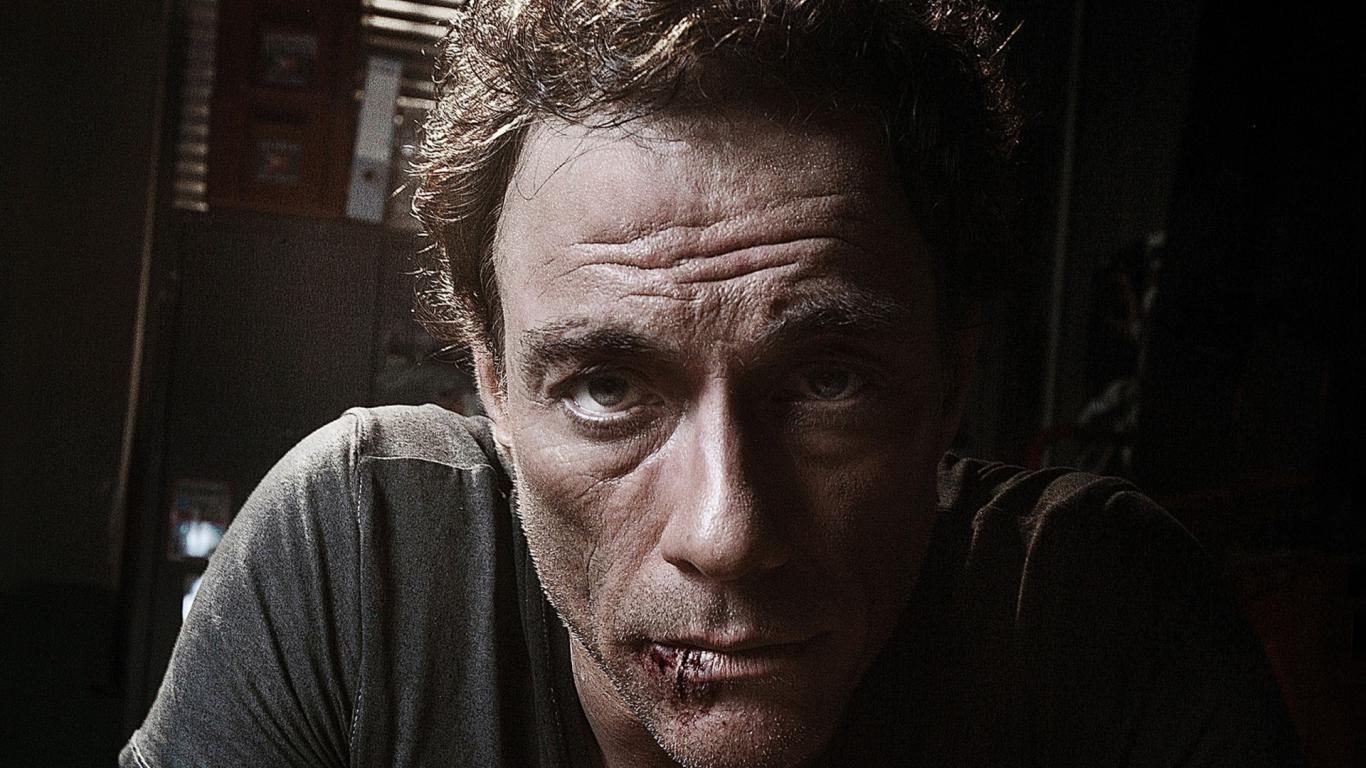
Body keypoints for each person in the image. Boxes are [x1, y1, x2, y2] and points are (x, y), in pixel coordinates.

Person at [121, 1, 1303, 766]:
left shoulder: (1099, 618)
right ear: (492, 384)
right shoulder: (356, 560)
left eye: (830, 380)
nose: (726, 534)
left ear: (951, 379)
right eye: (603, 386)